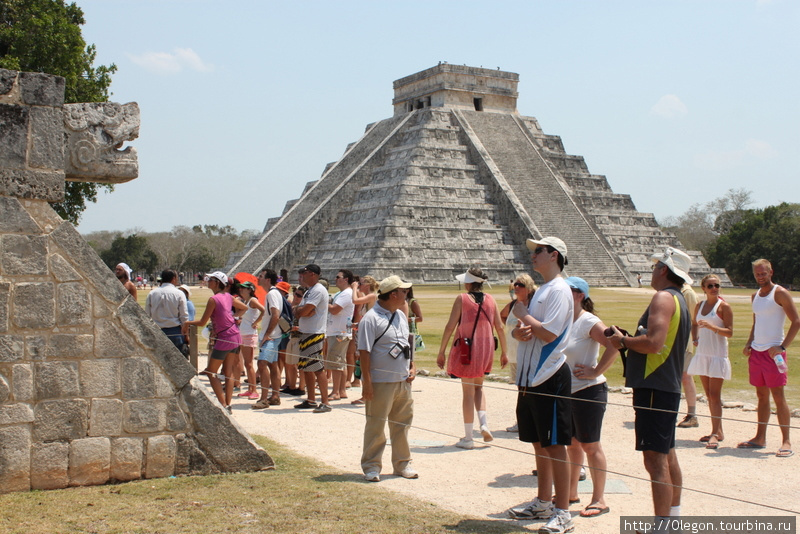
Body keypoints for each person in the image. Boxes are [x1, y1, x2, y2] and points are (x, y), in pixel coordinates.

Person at [606, 246, 692, 528]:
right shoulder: (679, 299)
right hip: (666, 384)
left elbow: (654, 343)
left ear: (664, 270)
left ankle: (663, 525)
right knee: (667, 454)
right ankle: (672, 519)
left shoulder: (663, 297)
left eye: (656, 266)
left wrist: (623, 342)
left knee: (655, 461)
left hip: (654, 385)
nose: (652, 270)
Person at [506, 237, 574, 534]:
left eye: (538, 251)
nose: (533, 256)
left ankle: (563, 512)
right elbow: (533, 331)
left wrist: (524, 316)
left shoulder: (559, 289)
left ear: (554, 255)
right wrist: (521, 331)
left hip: (549, 374)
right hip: (530, 375)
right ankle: (543, 501)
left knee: (556, 444)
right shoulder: (542, 290)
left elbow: (551, 334)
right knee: (538, 441)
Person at [564, 277, 619, 519]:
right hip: (568, 391)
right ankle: (571, 492)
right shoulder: (564, 320)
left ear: (579, 295)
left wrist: (596, 371)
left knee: (591, 445)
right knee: (572, 444)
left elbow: (615, 344)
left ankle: (599, 499)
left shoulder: (589, 321)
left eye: (567, 291)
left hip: (589, 390)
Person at [437, 267, 508, 449]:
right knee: (479, 387)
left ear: (469, 282)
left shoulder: (462, 299)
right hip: (485, 348)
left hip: (468, 349)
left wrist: (441, 351)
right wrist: (504, 352)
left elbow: (450, 326)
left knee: (467, 392)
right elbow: (499, 327)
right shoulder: (491, 300)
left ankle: (468, 437)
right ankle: (483, 423)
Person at [738, 258, 800, 457]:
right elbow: (757, 322)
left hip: (774, 355)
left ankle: (786, 441)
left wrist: (782, 347)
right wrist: (749, 342)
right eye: (757, 274)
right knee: (761, 396)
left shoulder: (780, 293)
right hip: (757, 352)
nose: (760, 276)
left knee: (779, 397)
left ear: (771, 272)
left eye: (763, 273)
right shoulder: (755, 295)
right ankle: (760, 437)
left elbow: (796, 321)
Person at [359, 275, 417, 482]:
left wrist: (412, 366)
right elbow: (364, 352)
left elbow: (407, 344)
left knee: (402, 424)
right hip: (381, 381)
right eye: (404, 291)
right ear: (393, 294)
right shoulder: (371, 318)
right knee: (376, 425)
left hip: (403, 380)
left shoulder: (400, 316)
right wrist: (367, 383)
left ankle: (403, 463)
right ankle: (372, 466)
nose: (406, 295)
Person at [183, 271, 249, 413]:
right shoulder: (229, 297)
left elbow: (202, 322)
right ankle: (228, 403)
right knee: (228, 372)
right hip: (234, 336)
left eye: (211, 279)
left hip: (224, 338)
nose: (208, 281)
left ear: (217, 282)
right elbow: (244, 307)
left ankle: (223, 404)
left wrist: (187, 323)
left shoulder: (214, 299)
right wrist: (235, 317)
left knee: (211, 372)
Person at [687, 274, 733, 449]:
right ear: (704, 289)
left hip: (717, 354)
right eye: (711, 286)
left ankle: (715, 433)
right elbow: (694, 323)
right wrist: (695, 338)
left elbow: (729, 332)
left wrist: (713, 327)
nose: (715, 288)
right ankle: (717, 430)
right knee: (709, 395)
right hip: (703, 353)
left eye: (717, 285)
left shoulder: (724, 307)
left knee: (715, 395)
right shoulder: (699, 305)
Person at [500, 274, 536, 433]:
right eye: (515, 284)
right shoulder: (514, 304)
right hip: (514, 353)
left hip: (528, 353)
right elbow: (502, 314)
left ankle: (527, 421)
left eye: (520, 285)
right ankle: (523, 421)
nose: (516, 287)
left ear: (528, 288)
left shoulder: (534, 304)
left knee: (529, 389)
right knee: (521, 389)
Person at [293, 264, 331, 413]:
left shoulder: (318, 290)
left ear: (314, 275)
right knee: (306, 368)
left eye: (306, 273)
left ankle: (325, 402)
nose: (303, 275)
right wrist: (299, 310)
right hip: (307, 331)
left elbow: (305, 310)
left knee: (317, 368)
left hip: (314, 332)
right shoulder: (310, 291)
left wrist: (299, 310)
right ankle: (311, 399)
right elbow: (299, 310)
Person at [254, 269, 285, 409]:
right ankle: (275, 396)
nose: (258, 278)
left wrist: (267, 334)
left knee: (262, 364)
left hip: (271, 337)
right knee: (273, 365)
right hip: (275, 335)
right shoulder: (274, 293)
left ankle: (264, 398)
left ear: (267, 280)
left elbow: (275, 315)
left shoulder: (272, 294)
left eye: (260, 276)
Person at [350, 275, 380, 405]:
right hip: (364, 331)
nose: (359, 285)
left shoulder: (372, 296)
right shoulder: (368, 297)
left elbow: (355, 301)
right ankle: (365, 392)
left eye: (361, 283)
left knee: (365, 362)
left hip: (370, 334)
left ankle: (366, 394)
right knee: (361, 362)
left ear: (367, 285)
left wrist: (354, 288)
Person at [327, 269, 355, 400]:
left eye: (338, 277)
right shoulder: (342, 293)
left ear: (346, 280)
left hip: (339, 332)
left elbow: (335, 310)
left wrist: (323, 303)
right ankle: (341, 390)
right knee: (340, 362)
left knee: (335, 362)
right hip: (340, 330)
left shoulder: (346, 294)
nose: (335, 279)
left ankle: (335, 392)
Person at [144, 269, 188, 351]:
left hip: (156, 330)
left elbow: (147, 315)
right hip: (175, 331)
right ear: (174, 278)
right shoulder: (179, 293)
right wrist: (186, 334)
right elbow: (184, 315)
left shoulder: (152, 293)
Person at [235, 281, 265, 400]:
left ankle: (254, 390)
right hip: (244, 333)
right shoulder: (245, 301)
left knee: (248, 363)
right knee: (247, 363)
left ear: (250, 290)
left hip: (249, 334)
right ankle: (250, 389)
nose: (241, 290)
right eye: (241, 288)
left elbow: (263, 310)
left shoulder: (252, 300)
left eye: (244, 288)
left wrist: (256, 322)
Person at [677, 283, 700, 428]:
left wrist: (693, 340)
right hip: (672, 342)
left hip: (684, 343)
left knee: (686, 376)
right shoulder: (676, 291)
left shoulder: (688, 294)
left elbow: (694, 320)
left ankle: (692, 414)